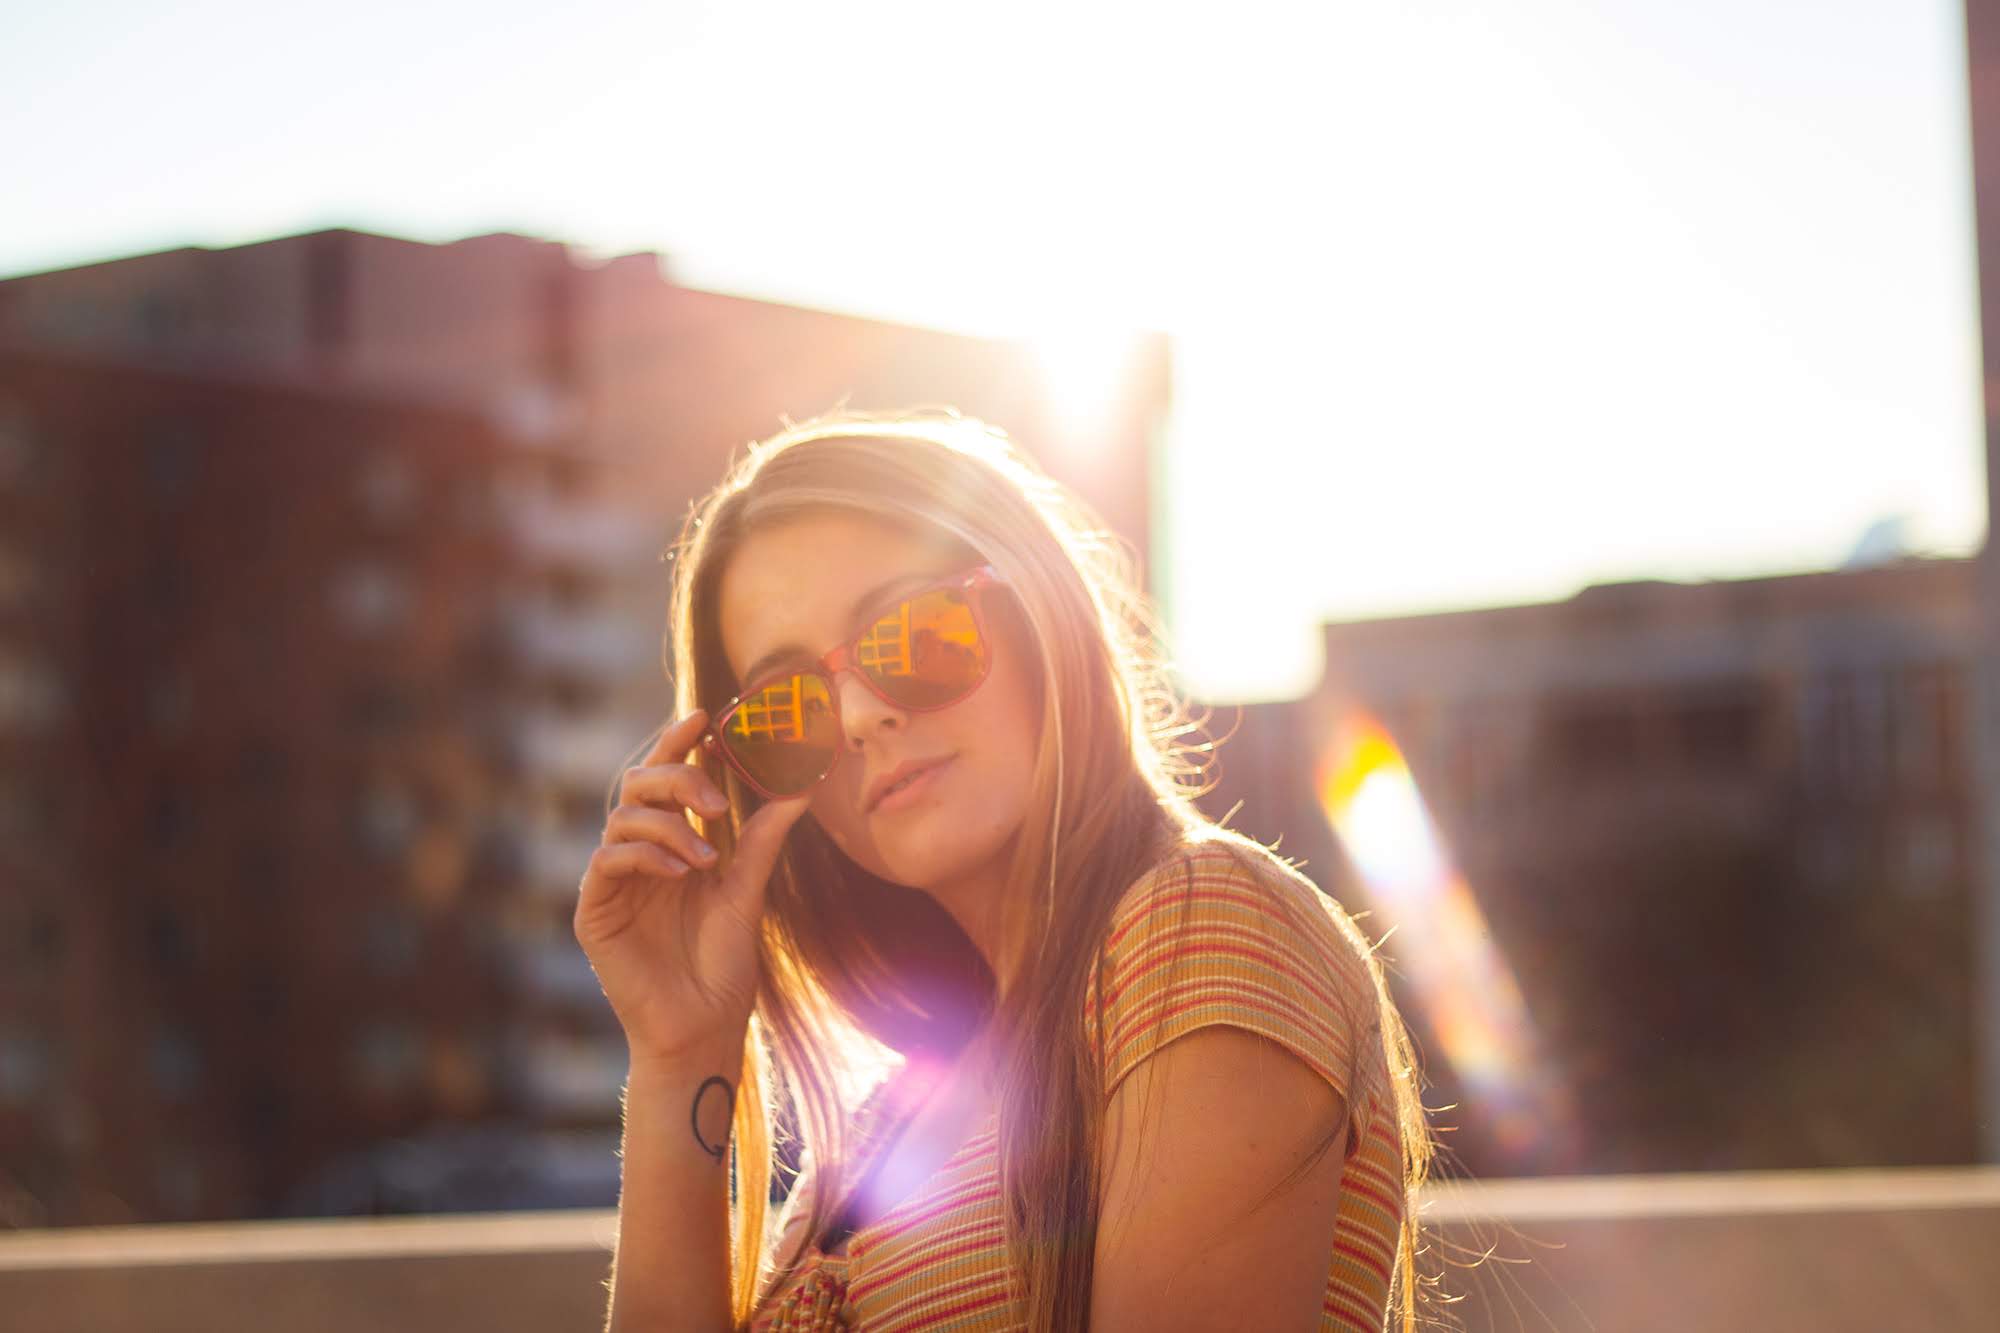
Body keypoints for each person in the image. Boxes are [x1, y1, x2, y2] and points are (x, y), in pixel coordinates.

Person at [575, 411, 1434, 1332]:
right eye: (790, 707)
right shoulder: (889, 1119)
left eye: (911, 635)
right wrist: (680, 1053)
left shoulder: (1204, 925)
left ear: (1036, 611)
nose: (859, 715)